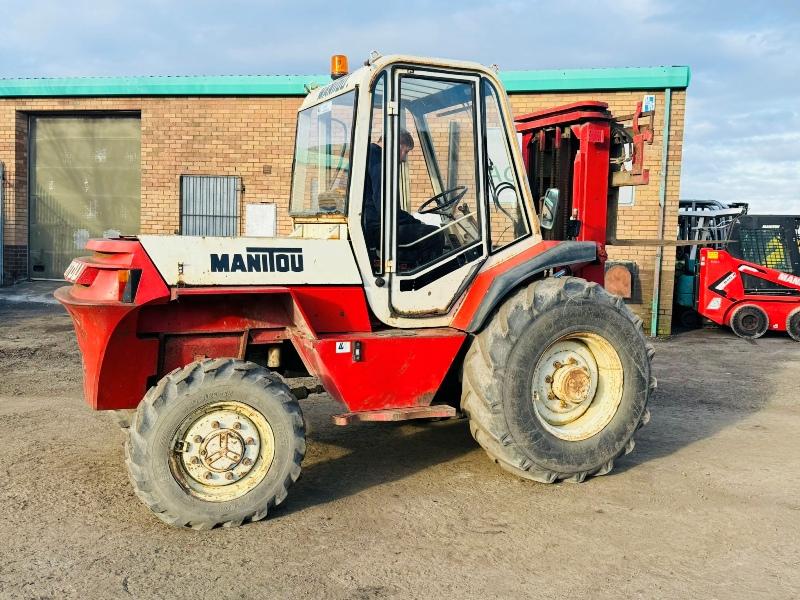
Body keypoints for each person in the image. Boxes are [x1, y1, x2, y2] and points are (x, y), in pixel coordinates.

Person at [363, 130, 445, 267]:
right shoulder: (380, 163)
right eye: (405, 151)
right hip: (377, 229)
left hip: (372, 225)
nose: (404, 158)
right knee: (434, 235)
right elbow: (386, 210)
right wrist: (416, 222)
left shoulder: (371, 155)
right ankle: (427, 283)